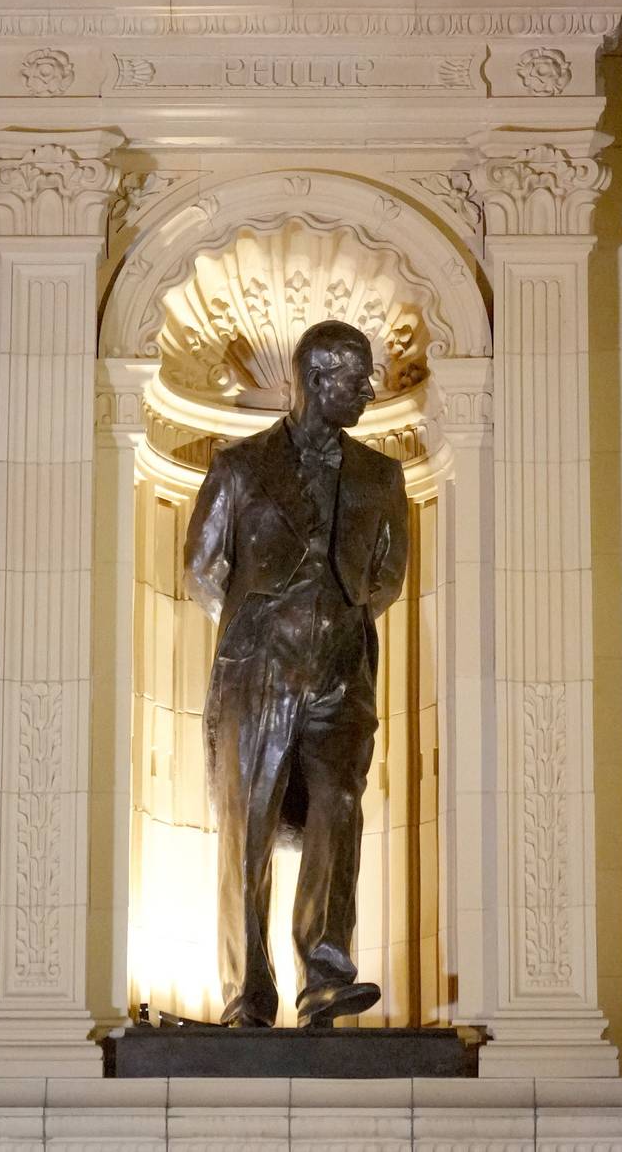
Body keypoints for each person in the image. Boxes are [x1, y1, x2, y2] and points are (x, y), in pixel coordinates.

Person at [184, 320, 408, 1028]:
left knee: (338, 811)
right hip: (258, 675)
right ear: (317, 379)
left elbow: (389, 574)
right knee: (247, 828)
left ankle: (326, 975)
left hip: (342, 676)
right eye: (356, 379)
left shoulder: (382, 474)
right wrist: (261, 631)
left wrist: (335, 622)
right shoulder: (241, 467)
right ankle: (248, 992)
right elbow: (202, 568)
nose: (370, 391)